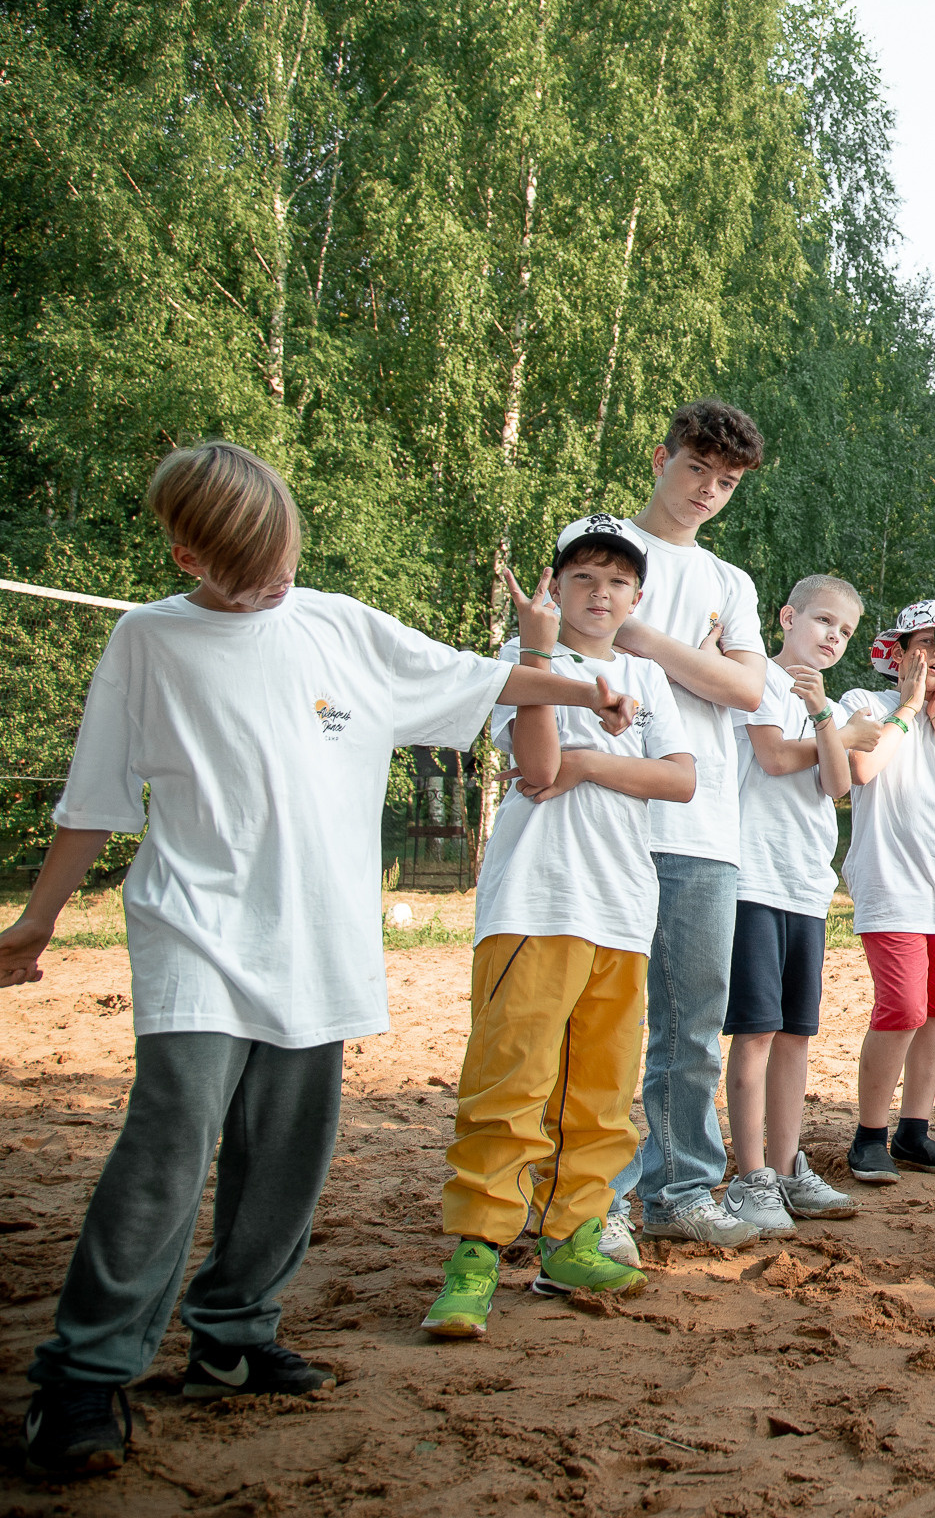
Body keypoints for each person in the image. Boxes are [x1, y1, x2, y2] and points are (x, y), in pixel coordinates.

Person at [0, 443, 641, 1478]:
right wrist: (37, 921)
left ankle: (234, 1338)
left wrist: (583, 686)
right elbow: (95, 799)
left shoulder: (339, 625)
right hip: (195, 933)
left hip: (319, 939)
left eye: (285, 555)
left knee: (288, 1154)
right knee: (168, 1148)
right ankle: (83, 1376)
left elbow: (475, 676)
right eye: (253, 567)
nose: (278, 580)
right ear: (186, 553)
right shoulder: (147, 642)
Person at [424, 518, 699, 1339]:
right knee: (511, 1083)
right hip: (536, 904)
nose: (600, 592)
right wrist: (538, 656)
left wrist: (589, 766)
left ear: (638, 596)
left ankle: (572, 1234)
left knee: (604, 1091)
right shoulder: (523, 666)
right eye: (583, 575)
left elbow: (681, 781)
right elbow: (536, 769)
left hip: (623, 909)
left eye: (617, 580)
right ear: (554, 587)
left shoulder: (647, 677)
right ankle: (475, 1254)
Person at [603, 400, 771, 1254]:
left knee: (692, 1025)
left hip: (706, 830)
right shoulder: (601, 543)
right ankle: (588, 1201)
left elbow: (748, 693)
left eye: (727, 482)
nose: (708, 490)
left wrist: (648, 639)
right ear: (661, 455)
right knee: (599, 1021)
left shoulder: (730, 584)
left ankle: (681, 1190)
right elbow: (583, 642)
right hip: (610, 821)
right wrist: (701, 660)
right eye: (696, 469)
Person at [720, 574, 865, 1237]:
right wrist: (829, 724)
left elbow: (838, 781)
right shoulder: (759, 680)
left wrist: (829, 718)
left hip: (807, 886)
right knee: (753, 1032)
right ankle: (750, 1177)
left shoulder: (819, 699)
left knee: (795, 1035)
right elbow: (774, 758)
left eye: (845, 631)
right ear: (787, 617)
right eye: (823, 622)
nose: (833, 636)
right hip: (753, 879)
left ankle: (784, 1171)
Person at [835, 602, 935, 1184]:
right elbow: (863, 771)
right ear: (898, 652)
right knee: (900, 1008)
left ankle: (914, 1132)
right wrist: (906, 705)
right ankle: (869, 1136)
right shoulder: (864, 705)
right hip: (890, 884)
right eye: (924, 644)